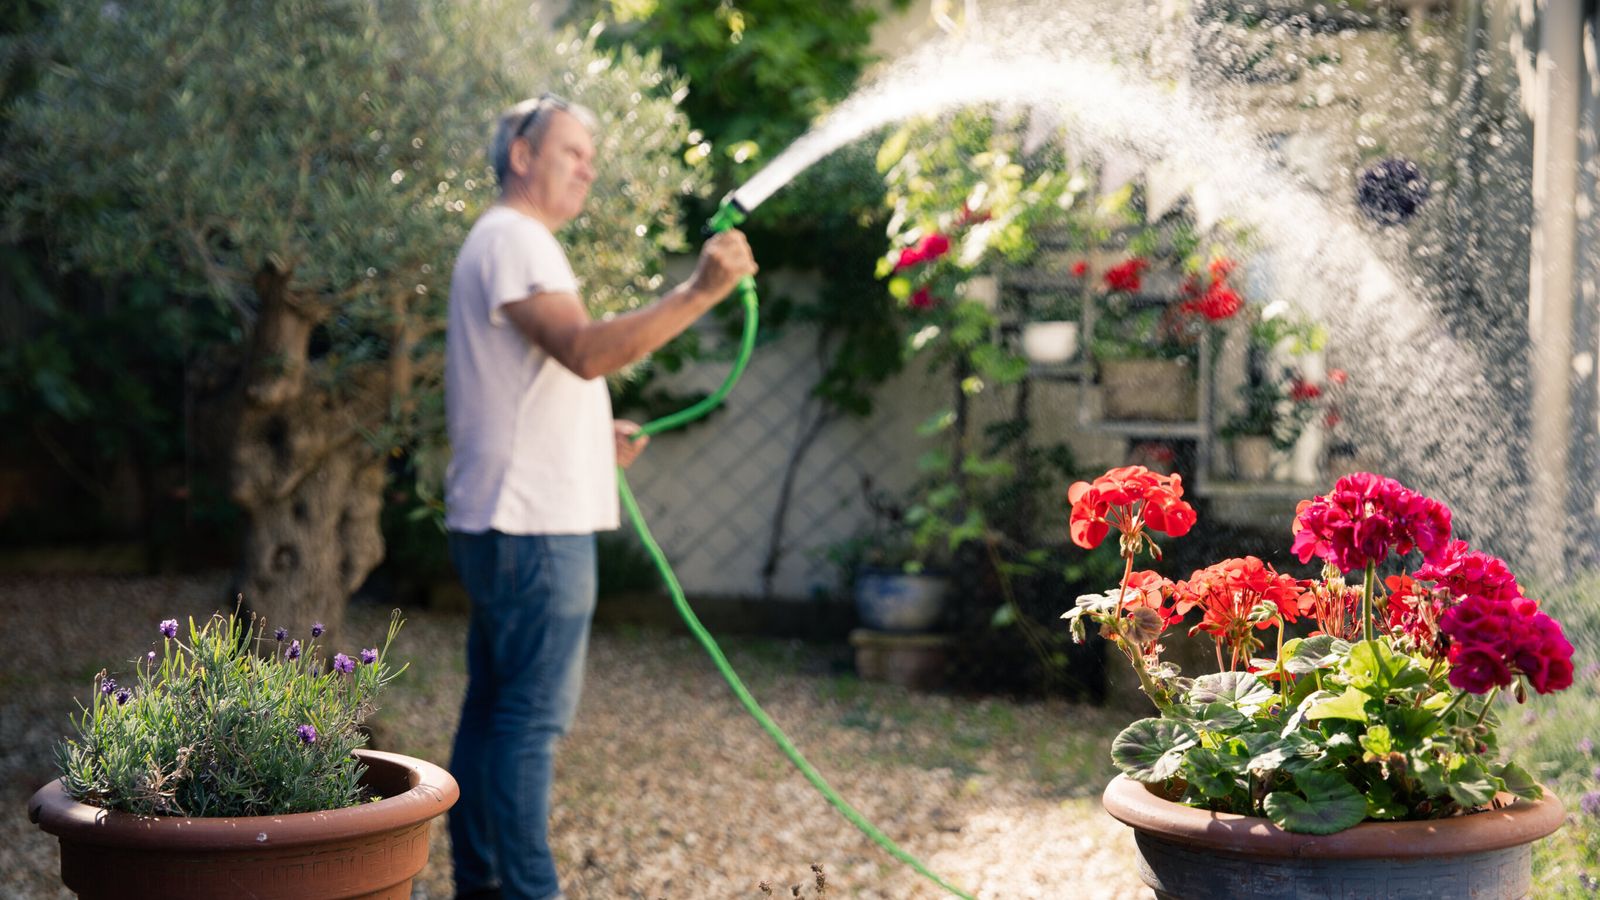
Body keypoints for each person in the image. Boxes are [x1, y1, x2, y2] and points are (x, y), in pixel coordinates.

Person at [443, 93, 757, 900]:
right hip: (534, 529)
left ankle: (481, 885)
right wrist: (699, 293)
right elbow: (583, 353)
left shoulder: (502, 240)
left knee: (494, 712)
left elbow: (530, 383)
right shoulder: (518, 237)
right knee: (528, 724)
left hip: (501, 521)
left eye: (592, 155)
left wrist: (595, 439)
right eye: (571, 151)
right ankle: (526, 891)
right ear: (521, 154)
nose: (587, 167)